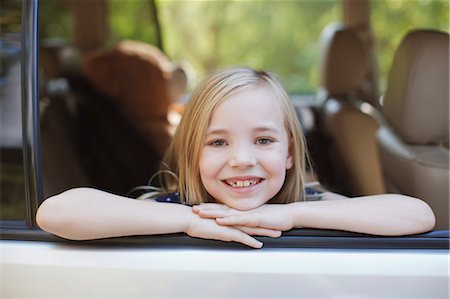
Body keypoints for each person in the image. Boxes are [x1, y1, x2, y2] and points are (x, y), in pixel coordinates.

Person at [36, 67, 436, 248]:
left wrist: (293, 216)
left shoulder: (307, 205)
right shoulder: (169, 208)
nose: (242, 159)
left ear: (291, 154)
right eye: (217, 143)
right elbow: (57, 212)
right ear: (192, 156)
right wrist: (188, 221)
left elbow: (418, 215)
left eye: (263, 141)